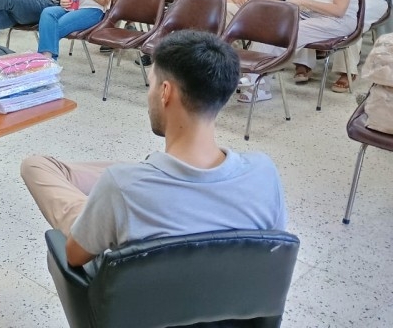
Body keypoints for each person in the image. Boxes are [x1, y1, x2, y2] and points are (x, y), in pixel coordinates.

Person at [20, 31, 287, 267]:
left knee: (36, 166)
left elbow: (74, 256)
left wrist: (102, 210)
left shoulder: (123, 186)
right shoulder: (264, 173)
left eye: (151, 84)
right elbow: (271, 256)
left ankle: (95, 216)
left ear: (165, 92)